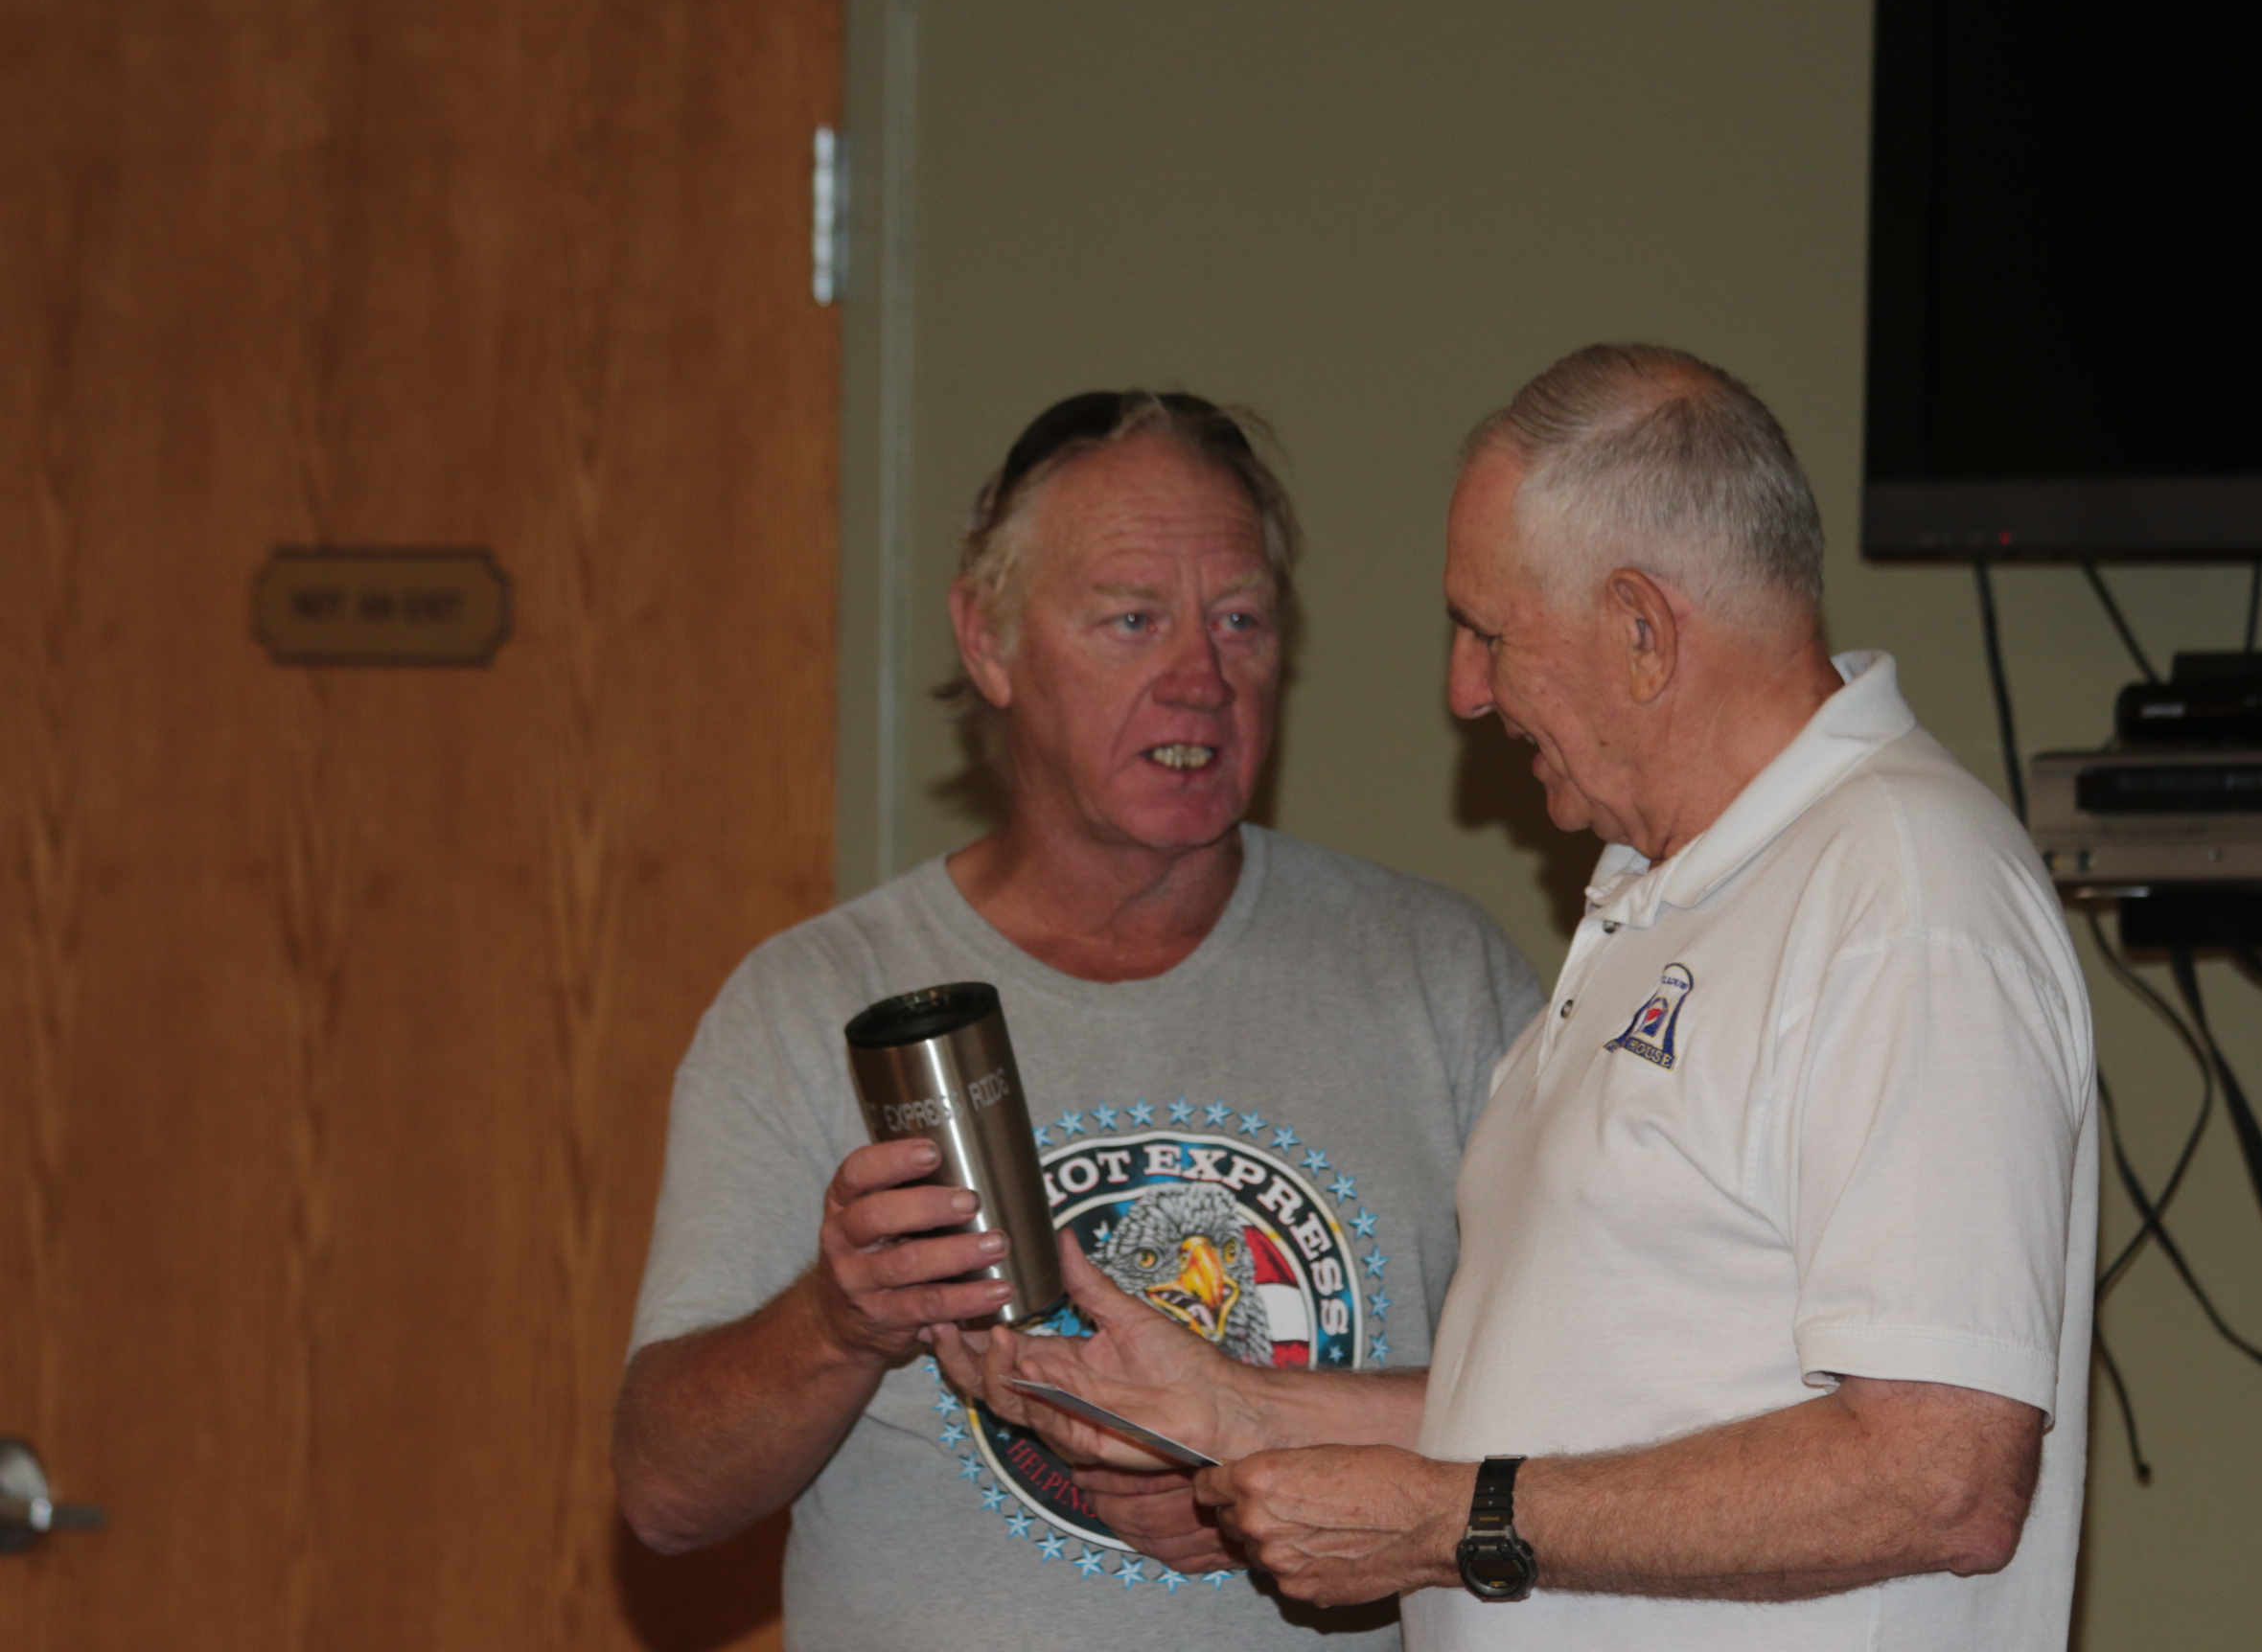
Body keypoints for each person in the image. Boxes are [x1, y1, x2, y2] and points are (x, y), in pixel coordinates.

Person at [945, 345, 2097, 1650]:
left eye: (1490, 633)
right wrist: (1237, 1408)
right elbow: (1573, 1412)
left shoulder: (1904, 896)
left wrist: (1449, 1523)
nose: (1464, 690)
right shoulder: (1664, 898)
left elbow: (1940, 1475)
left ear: (1641, 632)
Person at [613, 388, 1545, 1651]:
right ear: (989, 643)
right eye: (1131, 620)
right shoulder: (810, 1001)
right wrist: (836, 1323)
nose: (1199, 679)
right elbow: (665, 1494)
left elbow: (1601, 1410)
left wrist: (1288, 1472)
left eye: (1239, 620)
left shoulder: (1442, 977)